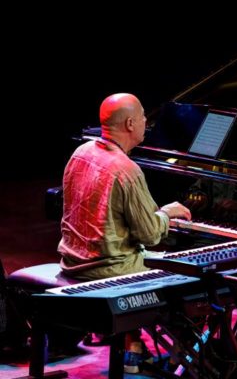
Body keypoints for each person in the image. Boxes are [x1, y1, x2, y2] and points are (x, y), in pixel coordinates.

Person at [57, 93, 191, 373]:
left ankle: (134, 350)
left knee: (135, 252)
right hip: (109, 270)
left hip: (73, 262)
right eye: (143, 117)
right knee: (195, 275)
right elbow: (150, 234)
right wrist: (167, 213)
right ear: (130, 123)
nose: (146, 122)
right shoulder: (126, 169)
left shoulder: (82, 152)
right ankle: (183, 360)